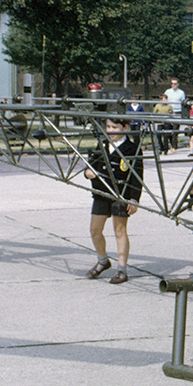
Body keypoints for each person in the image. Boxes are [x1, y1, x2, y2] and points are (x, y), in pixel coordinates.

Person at [84, 118, 143, 284]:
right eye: (108, 127)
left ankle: (122, 269)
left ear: (125, 127)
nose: (110, 130)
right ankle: (103, 261)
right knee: (95, 230)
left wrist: (134, 199)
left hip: (121, 194)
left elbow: (138, 176)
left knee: (120, 231)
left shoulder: (132, 148)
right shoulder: (103, 145)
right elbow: (92, 164)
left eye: (114, 127)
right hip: (102, 193)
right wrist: (88, 172)